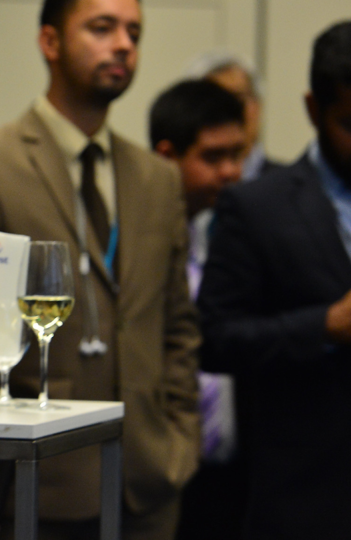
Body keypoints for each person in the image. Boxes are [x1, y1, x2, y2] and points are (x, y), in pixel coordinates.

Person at [0, 0, 201, 538]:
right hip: (39, 480)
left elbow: (177, 325)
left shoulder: (157, 178)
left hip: (149, 481)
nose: (123, 44)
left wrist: (179, 441)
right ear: (50, 42)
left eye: (133, 32)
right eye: (102, 28)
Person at [197, 20, 351, 539]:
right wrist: (323, 327)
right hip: (305, 496)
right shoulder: (257, 205)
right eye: (350, 124)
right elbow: (214, 340)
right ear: (313, 109)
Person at [148, 79, 248, 540]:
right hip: (160, 464)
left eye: (237, 155)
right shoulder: (135, 241)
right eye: (213, 157)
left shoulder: (229, 233)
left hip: (230, 468)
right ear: (167, 156)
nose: (231, 172)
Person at [184, 51, 283, 182]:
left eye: (238, 100)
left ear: (258, 105)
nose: (228, 112)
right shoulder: (177, 186)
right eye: (215, 101)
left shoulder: (292, 188)